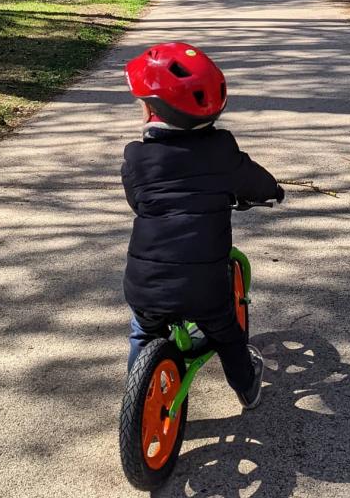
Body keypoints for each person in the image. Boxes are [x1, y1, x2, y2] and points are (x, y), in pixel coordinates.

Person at [121, 41, 284, 410]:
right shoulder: (222, 151)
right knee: (228, 333)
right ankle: (247, 387)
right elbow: (253, 180)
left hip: (145, 285)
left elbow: (137, 200)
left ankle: (140, 396)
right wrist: (272, 190)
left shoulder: (136, 157)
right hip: (205, 289)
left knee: (143, 331)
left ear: (151, 111)